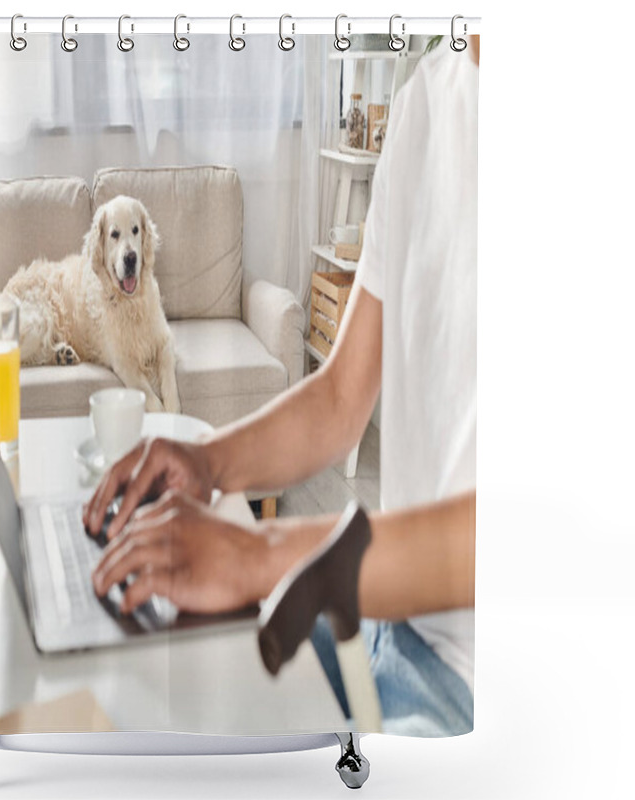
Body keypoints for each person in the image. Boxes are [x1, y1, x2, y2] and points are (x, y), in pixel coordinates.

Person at [83, 36, 479, 736]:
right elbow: (339, 398)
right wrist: (208, 459)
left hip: (481, 686)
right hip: (386, 627)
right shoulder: (424, 104)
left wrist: (257, 553)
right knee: (134, 694)